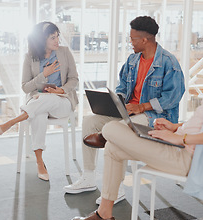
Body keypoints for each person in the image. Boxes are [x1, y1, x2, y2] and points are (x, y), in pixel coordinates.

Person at [72, 8, 203, 220]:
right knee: (112, 149)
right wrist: (176, 126)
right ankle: (104, 216)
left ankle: (105, 137)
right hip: (183, 144)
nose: (202, 39)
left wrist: (180, 138)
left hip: (186, 157)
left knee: (110, 129)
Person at [64, 16, 185, 205]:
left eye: (133, 39)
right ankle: (88, 177)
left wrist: (142, 107)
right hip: (129, 112)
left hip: (154, 116)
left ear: (145, 40)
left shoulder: (169, 62)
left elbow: (173, 97)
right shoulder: (132, 60)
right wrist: (116, 101)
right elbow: (122, 87)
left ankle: (117, 188)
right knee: (89, 121)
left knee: (118, 129)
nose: (130, 43)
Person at [0, 21, 79, 181]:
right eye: (52, 37)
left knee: (44, 101)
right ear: (42, 40)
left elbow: (74, 79)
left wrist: (60, 90)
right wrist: (44, 74)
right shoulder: (29, 57)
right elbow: (25, 87)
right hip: (40, 102)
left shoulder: (65, 52)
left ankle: (12, 121)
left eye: (57, 36)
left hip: (62, 102)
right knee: (39, 113)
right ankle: (40, 162)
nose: (57, 40)